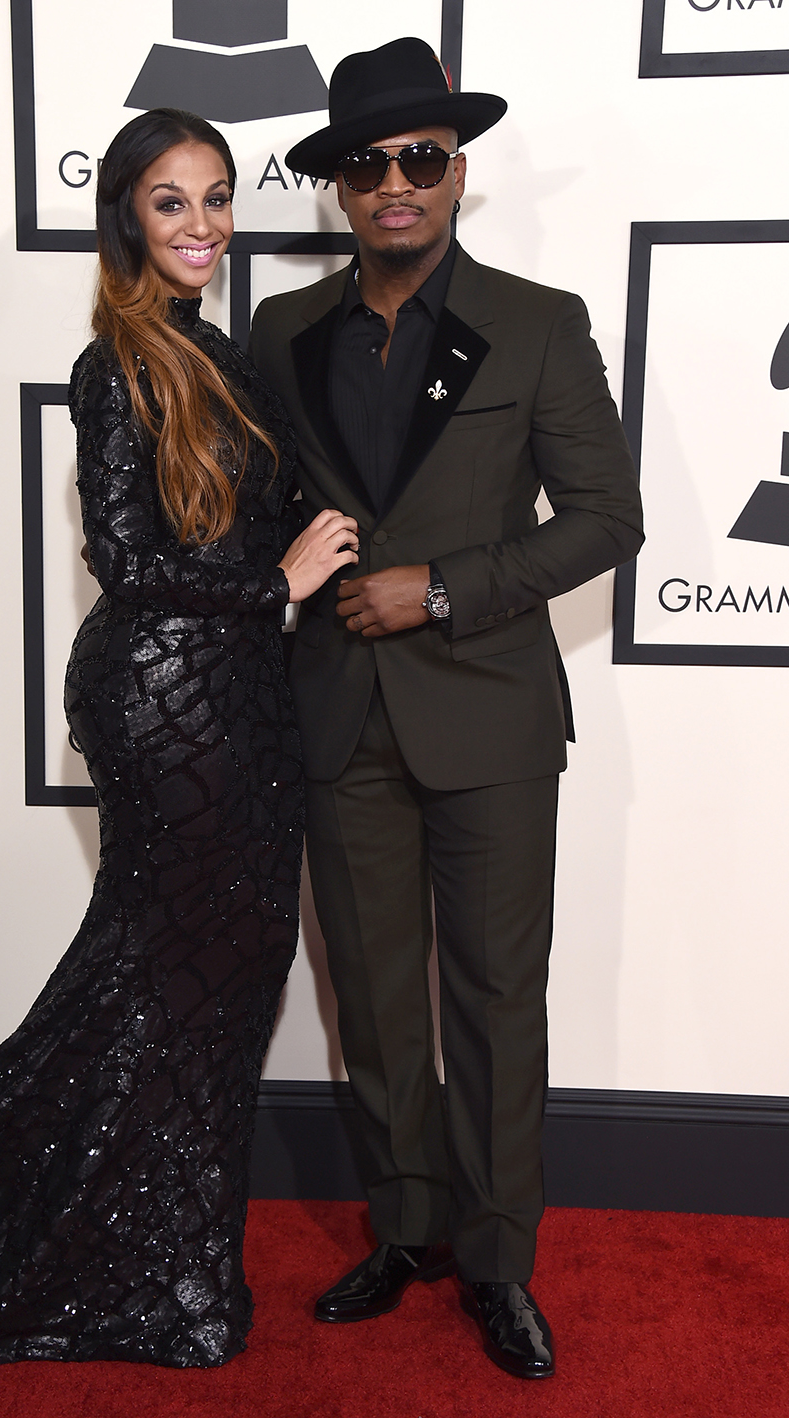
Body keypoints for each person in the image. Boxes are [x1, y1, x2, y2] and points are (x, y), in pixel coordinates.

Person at [0, 108, 358, 1380]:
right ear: (125, 222)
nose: (203, 222)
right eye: (171, 201)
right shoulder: (121, 363)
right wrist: (276, 583)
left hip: (239, 699)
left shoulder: (219, 355)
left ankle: (161, 1257)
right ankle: (162, 1272)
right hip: (169, 706)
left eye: (217, 196)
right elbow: (128, 559)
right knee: (172, 986)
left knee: (202, 994)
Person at [249, 39, 644, 1380]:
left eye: (422, 158)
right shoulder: (281, 332)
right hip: (337, 715)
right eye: (368, 164)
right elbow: (246, 507)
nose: (396, 185)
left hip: (486, 712)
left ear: (458, 169)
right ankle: (405, 1226)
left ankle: (496, 1258)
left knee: (491, 999)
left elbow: (607, 519)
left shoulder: (539, 322)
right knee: (371, 996)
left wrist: (440, 591)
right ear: (339, 188)